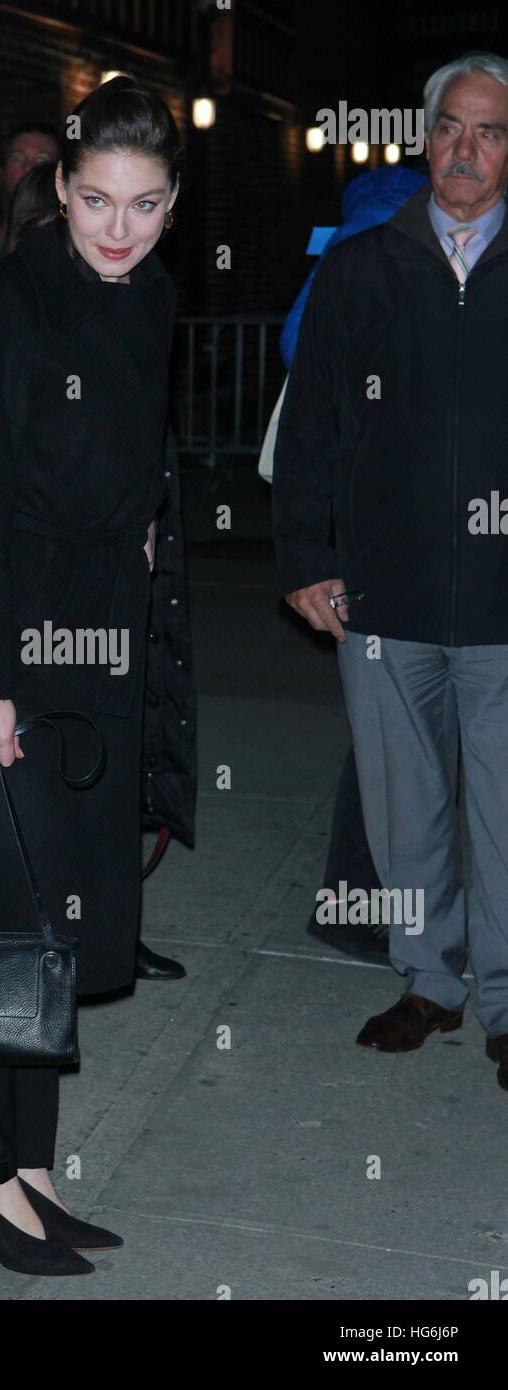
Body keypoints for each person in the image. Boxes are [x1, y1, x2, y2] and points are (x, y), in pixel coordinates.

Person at [0, 75, 181, 1274]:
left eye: (147, 204)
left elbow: (127, 452)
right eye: (97, 199)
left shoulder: (150, 297)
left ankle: (36, 1166)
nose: (120, 228)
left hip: (97, 649)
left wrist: (145, 527)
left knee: (57, 914)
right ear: (59, 187)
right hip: (6, 649)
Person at [272, 50, 508, 1089]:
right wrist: (306, 559)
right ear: (423, 138)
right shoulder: (361, 267)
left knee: (505, 812)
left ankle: (503, 996)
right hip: (383, 592)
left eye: (490, 132)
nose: (467, 149)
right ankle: (427, 980)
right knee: (399, 810)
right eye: (451, 127)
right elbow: (311, 427)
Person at [279, 166, 429, 962]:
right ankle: (355, 899)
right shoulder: (385, 238)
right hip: (377, 525)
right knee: (396, 721)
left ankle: (365, 897)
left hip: (390, 523)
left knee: (398, 721)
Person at [0, 121, 60, 270]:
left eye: (42, 161)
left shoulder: (73, 229)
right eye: (18, 158)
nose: (29, 168)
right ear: (2, 170)